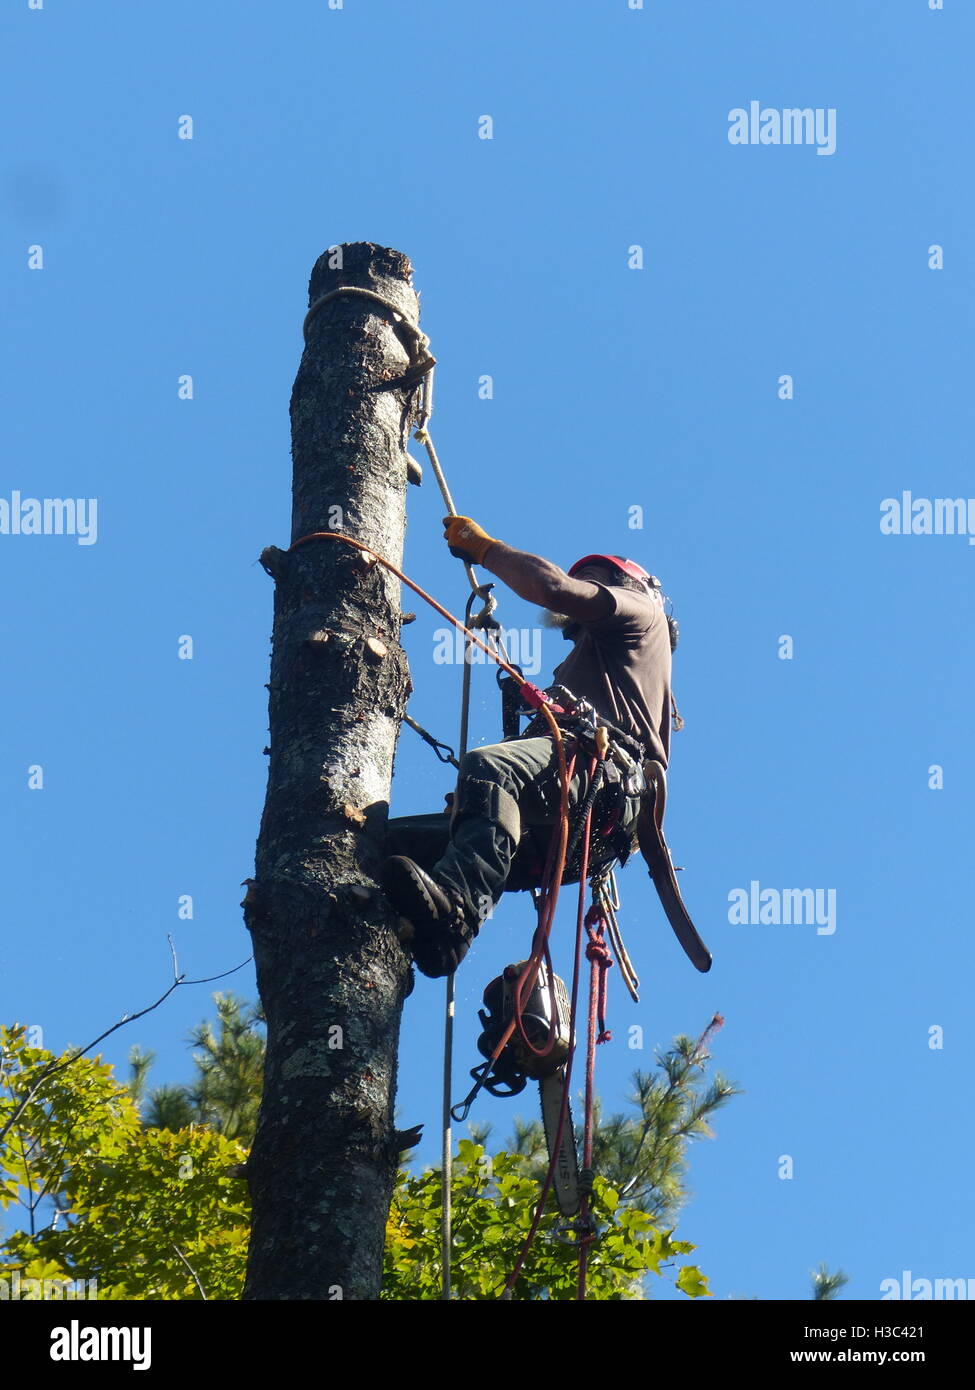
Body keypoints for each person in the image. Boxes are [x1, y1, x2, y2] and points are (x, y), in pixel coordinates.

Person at [383, 515, 678, 978]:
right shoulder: (591, 669)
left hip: (602, 782)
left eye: (594, 580)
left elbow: (554, 589)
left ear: (629, 585)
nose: (584, 586)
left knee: (491, 768)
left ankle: (457, 913)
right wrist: (475, 807)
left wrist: (486, 550)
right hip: (570, 825)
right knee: (385, 845)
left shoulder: (642, 611)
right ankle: (407, 932)